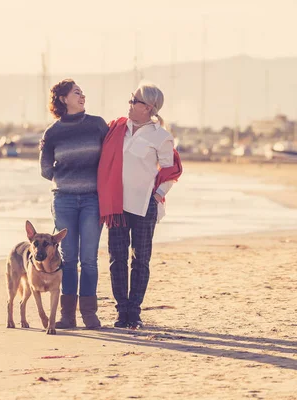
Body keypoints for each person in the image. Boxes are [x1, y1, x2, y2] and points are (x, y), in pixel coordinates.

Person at [97, 82, 183, 329]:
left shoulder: (161, 136)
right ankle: (121, 311)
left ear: (147, 107)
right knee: (117, 258)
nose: (129, 103)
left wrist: (158, 194)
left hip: (145, 204)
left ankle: (134, 312)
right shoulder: (117, 129)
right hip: (117, 204)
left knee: (141, 259)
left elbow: (171, 171)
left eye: (133, 100)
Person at [39, 79, 109, 329]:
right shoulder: (53, 132)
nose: (82, 96)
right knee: (68, 258)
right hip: (64, 199)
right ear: (62, 99)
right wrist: (69, 175)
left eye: (82, 92)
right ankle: (67, 316)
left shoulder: (98, 125)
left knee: (89, 258)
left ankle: (89, 313)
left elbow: (110, 159)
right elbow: (45, 169)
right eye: (76, 92)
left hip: (92, 199)